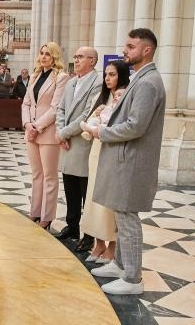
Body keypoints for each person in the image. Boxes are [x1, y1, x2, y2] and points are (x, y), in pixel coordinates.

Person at [88, 28, 166, 296]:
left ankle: (132, 279)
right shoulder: (140, 78)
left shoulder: (147, 82)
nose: (125, 51)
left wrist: (102, 131)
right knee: (121, 217)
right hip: (126, 158)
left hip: (133, 160)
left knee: (128, 218)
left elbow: (136, 126)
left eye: (131, 47)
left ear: (147, 50)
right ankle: (120, 264)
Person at [77, 61, 130, 262]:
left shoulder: (125, 96)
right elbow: (88, 126)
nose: (108, 78)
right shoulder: (101, 97)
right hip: (96, 152)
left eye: (113, 75)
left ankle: (112, 245)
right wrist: (96, 115)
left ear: (122, 76)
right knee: (93, 199)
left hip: (113, 152)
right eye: (106, 74)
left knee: (109, 203)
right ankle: (98, 244)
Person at [53, 46, 102, 241]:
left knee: (85, 193)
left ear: (92, 60)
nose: (76, 59)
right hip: (66, 142)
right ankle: (71, 226)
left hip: (82, 143)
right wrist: (60, 132)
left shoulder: (98, 82)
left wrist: (63, 133)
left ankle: (88, 234)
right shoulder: (72, 82)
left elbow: (87, 113)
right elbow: (61, 109)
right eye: (75, 56)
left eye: (80, 56)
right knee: (70, 187)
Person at [21, 42, 70, 230]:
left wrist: (37, 126)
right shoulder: (34, 76)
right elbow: (26, 103)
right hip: (31, 131)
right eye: (42, 54)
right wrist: (27, 125)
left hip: (47, 133)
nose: (43, 57)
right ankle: (34, 212)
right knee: (36, 174)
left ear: (55, 57)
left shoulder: (61, 77)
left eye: (48, 54)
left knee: (49, 176)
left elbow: (56, 108)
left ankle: (47, 216)